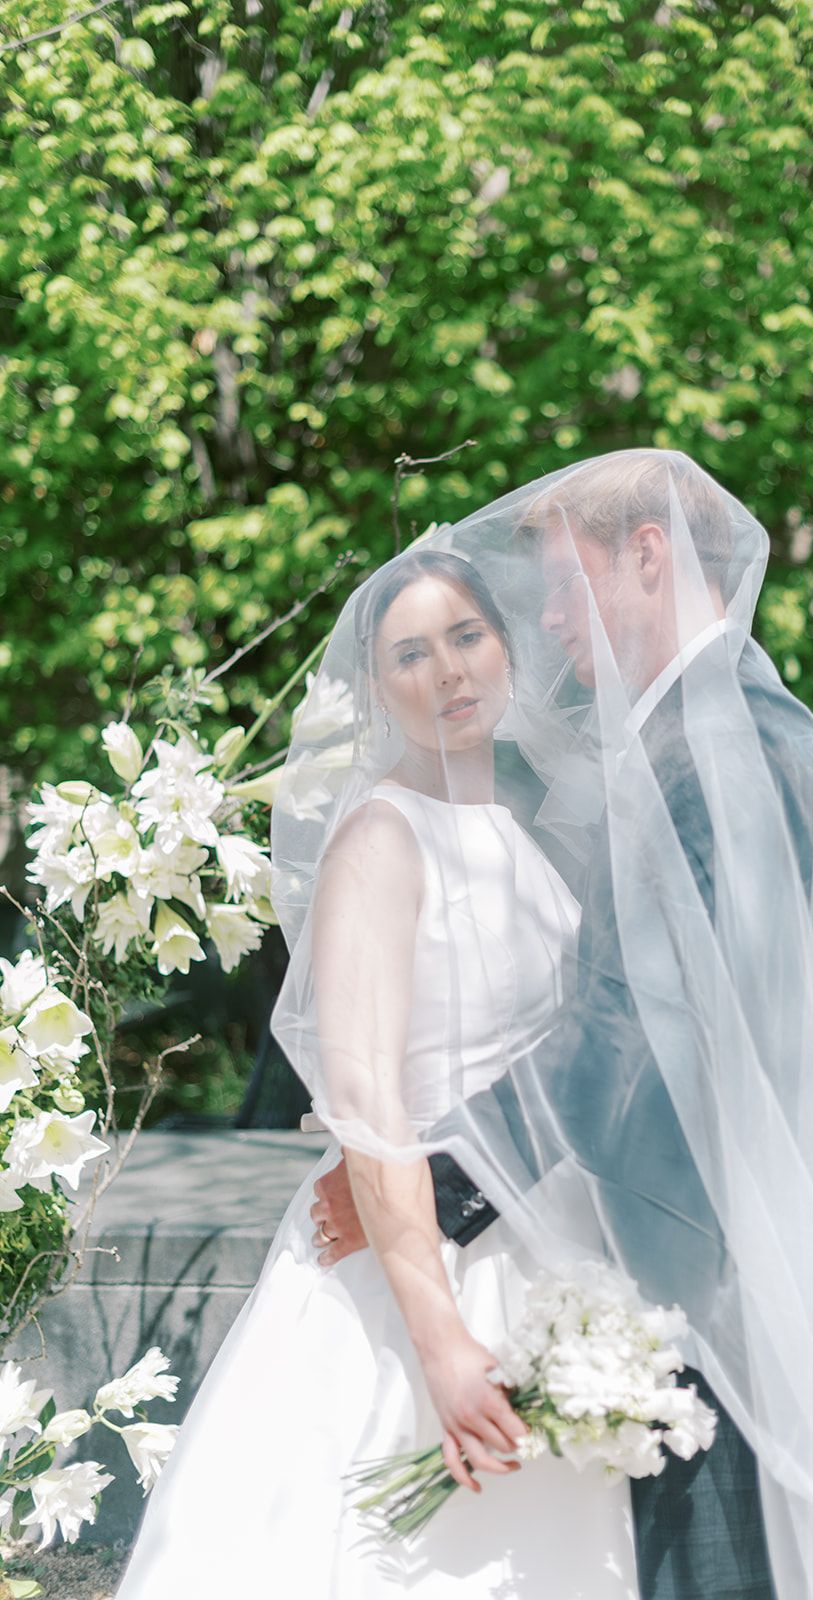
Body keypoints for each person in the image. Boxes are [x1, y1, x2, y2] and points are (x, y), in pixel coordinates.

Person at [309, 450, 813, 1600]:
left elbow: (632, 1040)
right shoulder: (744, 721)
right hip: (701, 1235)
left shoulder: (706, 752)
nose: (544, 621)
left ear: (646, 555)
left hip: (695, 1249)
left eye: (558, 583)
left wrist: (442, 1177)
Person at [113, 549, 642, 1600]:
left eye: (466, 638)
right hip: (410, 1272)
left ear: (507, 646)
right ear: (373, 686)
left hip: (542, 1236)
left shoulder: (514, 831)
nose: (448, 671)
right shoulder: (381, 841)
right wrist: (442, 1342)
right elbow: (371, 1111)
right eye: (411, 652)